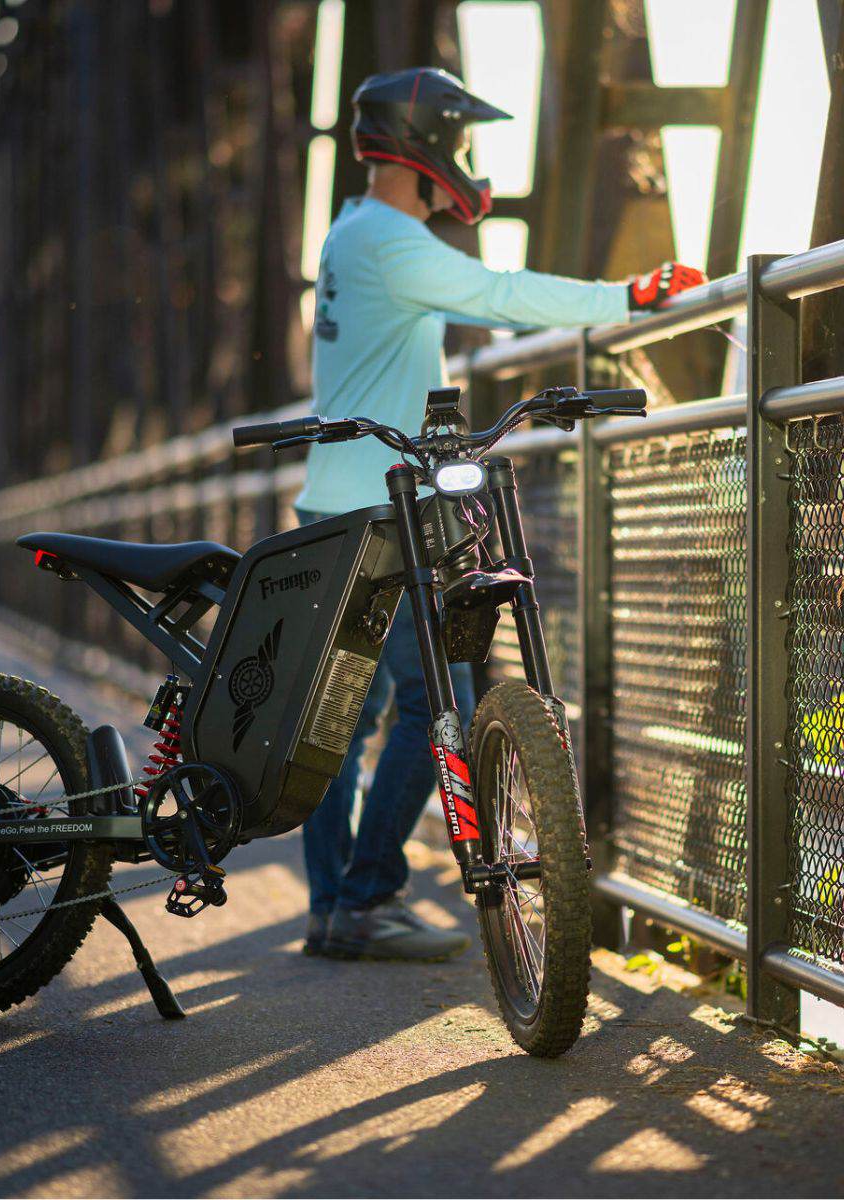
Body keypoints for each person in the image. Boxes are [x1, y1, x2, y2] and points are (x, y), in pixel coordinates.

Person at [296, 66, 706, 961]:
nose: (471, 157)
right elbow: (501, 295)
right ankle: (364, 898)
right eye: (465, 139)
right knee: (424, 700)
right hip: (377, 512)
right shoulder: (390, 242)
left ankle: (334, 907)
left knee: (341, 716)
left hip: (334, 503)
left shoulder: (351, 232)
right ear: (427, 143)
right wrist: (626, 298)